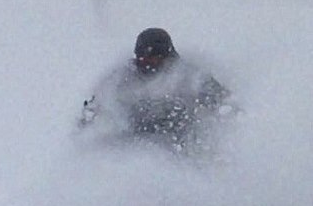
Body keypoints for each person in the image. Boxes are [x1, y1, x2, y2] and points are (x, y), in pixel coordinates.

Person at [78, 28, 233, 154]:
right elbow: (98, 102)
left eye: (153, 58)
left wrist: (225, 124)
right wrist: (86, 123)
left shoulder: (187, 75)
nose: (145, 62)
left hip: (180, 142)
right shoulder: (123, 76)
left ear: (167, 56)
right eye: (141, 57)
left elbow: (223, 102)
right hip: (137, 139)